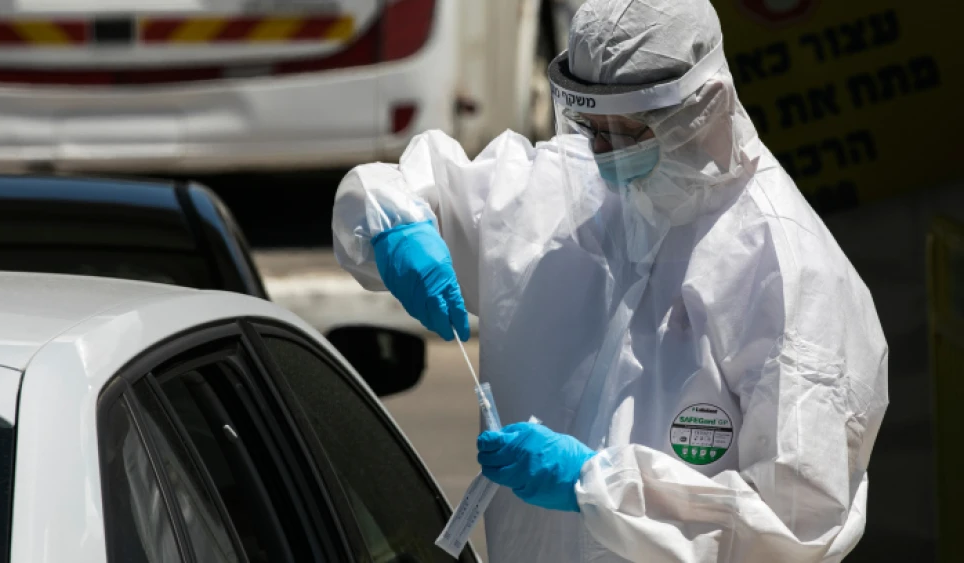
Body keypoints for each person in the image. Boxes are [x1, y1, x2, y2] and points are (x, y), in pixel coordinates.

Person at [332, 0, 889, 560]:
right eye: (590, 126)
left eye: (625, 132)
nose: (601, 154)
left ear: (703, 107)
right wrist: (397, 228)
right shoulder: (561, 192)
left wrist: (598, 485)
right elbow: (396, 190)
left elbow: (794, 528)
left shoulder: (788, 270)